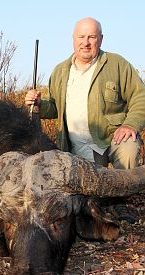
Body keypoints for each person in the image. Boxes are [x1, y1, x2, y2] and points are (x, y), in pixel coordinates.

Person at [25, 17, 145, 222]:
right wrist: (36, 104)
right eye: (81, 37)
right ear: (73, 39)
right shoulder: (60, 71)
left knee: (128, 147)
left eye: (91, 37)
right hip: (79, 146)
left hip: (112, 139)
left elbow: (140, 96)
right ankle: (101, 204)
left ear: (101, 39)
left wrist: (130, 124)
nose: (86, 42)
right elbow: (54, 107)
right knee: (88, 197)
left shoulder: (118, 64)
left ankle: (122, 203)